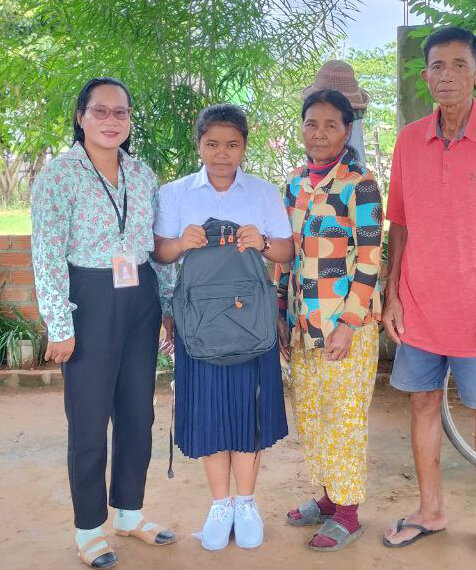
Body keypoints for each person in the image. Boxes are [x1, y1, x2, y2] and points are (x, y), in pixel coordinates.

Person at [382, 27, 476, 569]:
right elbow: (399, 223)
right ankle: (430, 510)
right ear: (426, 76)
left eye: (459, 65)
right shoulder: (408, 140)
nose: (447, 76)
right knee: (422, 403)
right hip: (419, 305)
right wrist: (393, 292)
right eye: (438, 66)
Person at [31, 77, 176, 569]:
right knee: (89, 421)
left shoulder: (142, 174)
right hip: (88, 301)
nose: (111, 120)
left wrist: (167, 306)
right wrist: (59, 323)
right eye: (101, 111)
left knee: (138, 414)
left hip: (140, 300)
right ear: (81, 116)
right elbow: (47, 252)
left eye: (121, 112)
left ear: (130, 119)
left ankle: (130, 513)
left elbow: (154, 245)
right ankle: (89, 529)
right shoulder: (60, 175)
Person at [152, 104, 294, 551]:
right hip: (199, 325)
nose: (221, 153)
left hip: (252, 324)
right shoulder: (176, 193)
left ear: (244, 147)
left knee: (249, 412)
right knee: (211, 413)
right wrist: (181, 243)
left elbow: (288, 252)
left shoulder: (263, 193)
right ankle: (219, 505)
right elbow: (159, 254)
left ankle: (246, 503)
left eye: (232, 144)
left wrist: (264, 243)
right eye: (212, 144)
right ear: (198, 145)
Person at [278, 89, 383, 551]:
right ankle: (327, 497)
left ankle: (348, 512)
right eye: (311, 124)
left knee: (344, 419)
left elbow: (371, 260)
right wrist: (282, 316)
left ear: (347, 130)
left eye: (330, 125)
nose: (319, 133)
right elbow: (289, 256)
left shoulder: (360, 185)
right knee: (312, 416)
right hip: (304, 325)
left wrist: (348, 324)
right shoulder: (295, 185)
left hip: (346, 328)